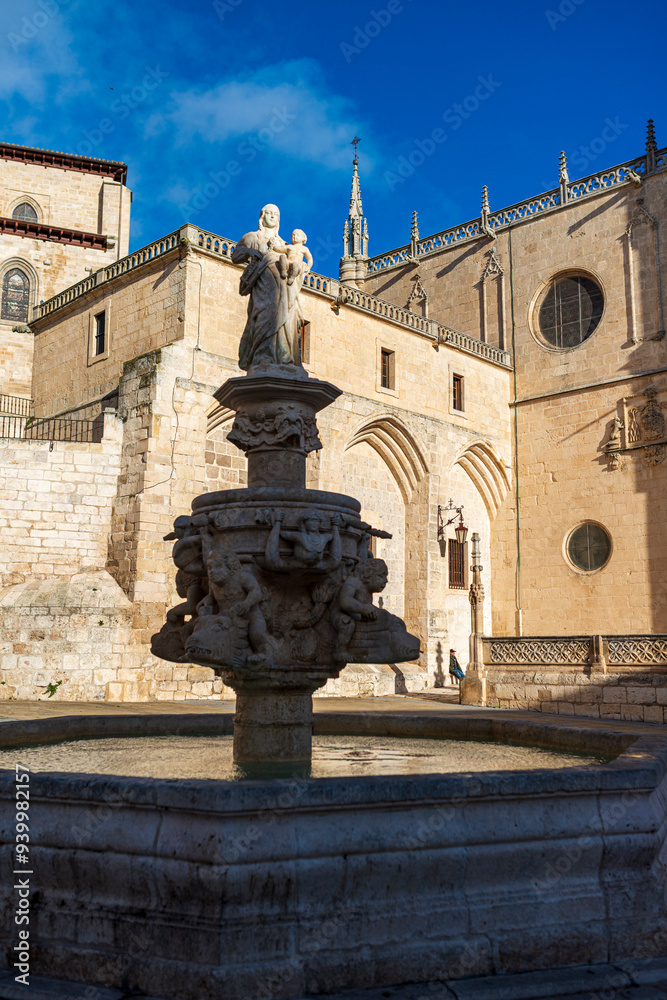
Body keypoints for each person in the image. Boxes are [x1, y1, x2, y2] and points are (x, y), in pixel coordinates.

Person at [230, 204, 304, 371]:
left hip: (284, 285)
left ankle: (284, 356)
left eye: (276, 214)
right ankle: (262, 355)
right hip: (264, 285)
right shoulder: (252, 237)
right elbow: (236, 256)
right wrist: (250, 252)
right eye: (269, 213)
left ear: (279, 219)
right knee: (265, 314)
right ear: (262, 216)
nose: (272, 216)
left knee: (288, 317)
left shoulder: (283, 243)